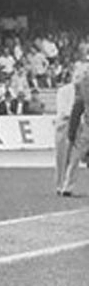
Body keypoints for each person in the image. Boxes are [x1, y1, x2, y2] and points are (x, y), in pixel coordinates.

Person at [54, 64, 85, 195]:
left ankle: (68, 186)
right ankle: (59, 185)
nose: (79, 79)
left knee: (75, 157)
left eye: (82, 76)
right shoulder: (64, 91)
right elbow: (63, 110)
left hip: (80, 126)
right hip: (64, 125)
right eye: (77, 76)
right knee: (62, 157)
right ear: (72, 76)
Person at [61, 67, 89, 196]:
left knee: (76, 157)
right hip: (87, 127)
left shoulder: (82, 85)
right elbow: (77, 108)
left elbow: (77, 109)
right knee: (76, 156)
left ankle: (68, 186)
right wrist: (72, 130)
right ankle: (67, 186)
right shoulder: (83, 86)